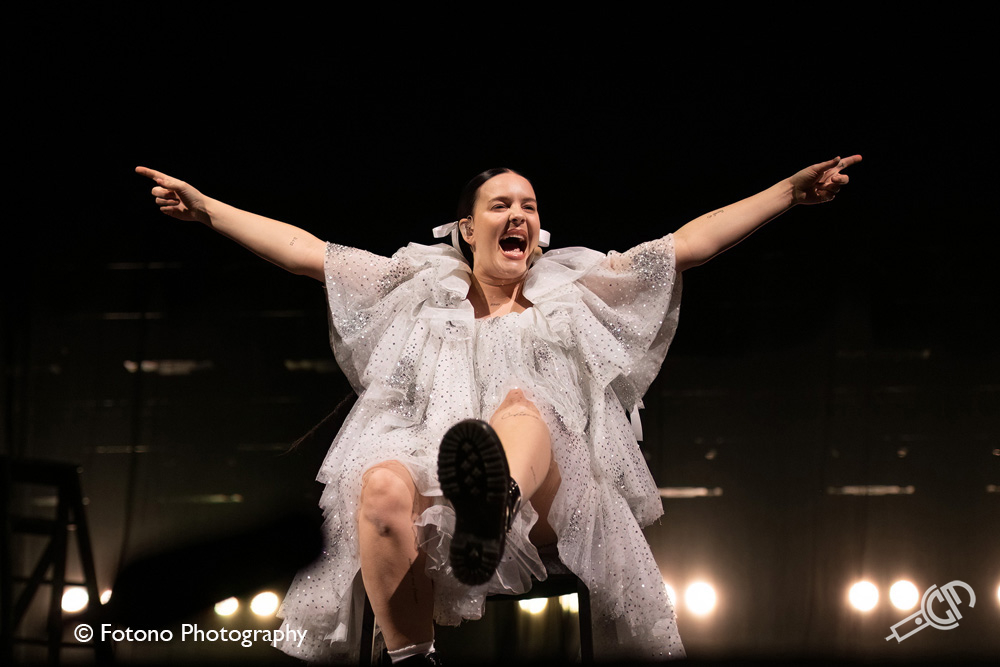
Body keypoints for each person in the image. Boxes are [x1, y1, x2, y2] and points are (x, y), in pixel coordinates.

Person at [136, 155, 861, 663]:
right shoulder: (418, 290)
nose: (519, 215)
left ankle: (492, 500)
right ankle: (413, 657)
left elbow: (685, 246)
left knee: (521, 405)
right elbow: (308, 252)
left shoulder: (571, 292)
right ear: (465, 227)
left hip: (543, 504)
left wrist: (786, 193)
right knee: (380, 482)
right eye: (501, 205)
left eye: (530, 207)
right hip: (432, 491)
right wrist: (209, 210)